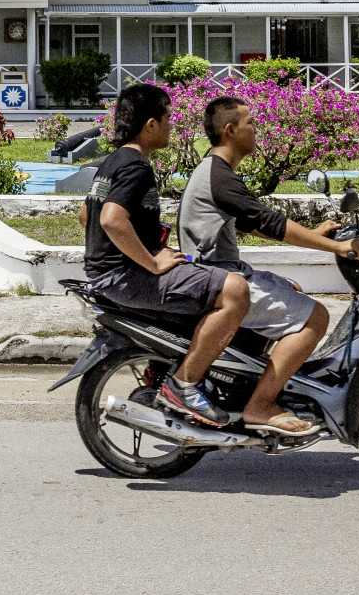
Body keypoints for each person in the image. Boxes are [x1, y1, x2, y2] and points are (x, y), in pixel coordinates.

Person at [178, 93, 359, 436]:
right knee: (315, 317)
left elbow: (249, 222)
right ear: (230, 130)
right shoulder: (218, 175)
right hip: (219, 279)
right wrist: (337, 247)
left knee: (292, 289)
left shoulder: (215, 171)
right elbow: (267, 222)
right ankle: (261, 405)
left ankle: (251, 381)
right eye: (251, 123)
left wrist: (314, 235)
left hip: (220, 272)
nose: (257, 129)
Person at [80, 83, 252, 430]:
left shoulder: (112, 161)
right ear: (151, 125)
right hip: (124, 277)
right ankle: (184, 385)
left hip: (107, 274)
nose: (172, 125)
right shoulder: (136, 166)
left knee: (204, 278)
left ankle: (165, 367)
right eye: (168, 118)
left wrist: (147, 248)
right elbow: (110, 219)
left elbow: (86, 215)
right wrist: (152, 262)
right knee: (235, 290)